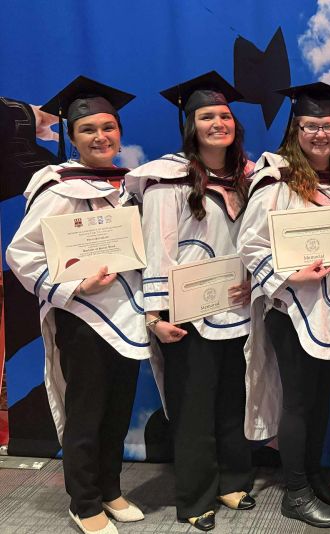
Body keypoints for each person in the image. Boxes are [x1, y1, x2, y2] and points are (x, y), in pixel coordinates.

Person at [6, 76, 147, 534]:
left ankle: (110, 488)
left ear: (119, 132)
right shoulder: (56, 188)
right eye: (88, 130)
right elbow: (21, 254)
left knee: (118, 407)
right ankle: (83, 500)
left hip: (128, 315)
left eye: (108, 128)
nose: (100, 137)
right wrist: (73, 287)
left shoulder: (132, 186)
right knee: (86, 410)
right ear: (72, 136)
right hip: (83, 317)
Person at [124, 71, 255, 532]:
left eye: (225, 115)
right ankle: (196, 494)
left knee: (232, 402)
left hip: (237, 309)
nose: (218, 122)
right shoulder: (168, 178)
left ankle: (233, 479)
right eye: (207, 116)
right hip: (189, 314)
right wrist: (155, 314)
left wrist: (255, 283)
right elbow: (158, 247)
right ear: (190, 125)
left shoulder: (248, 177)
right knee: (195, 408)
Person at [237, 82, 330, 529]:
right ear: (296, 129)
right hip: (292, 308)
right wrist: (288, 275)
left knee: (320, 400)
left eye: (327, 126)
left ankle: (312, 475)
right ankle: (294, 492)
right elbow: (250, 245)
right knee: (297, 402)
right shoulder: (276, 179)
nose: (319, 135)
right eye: (310, 126)